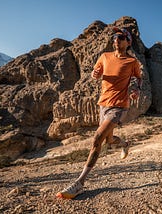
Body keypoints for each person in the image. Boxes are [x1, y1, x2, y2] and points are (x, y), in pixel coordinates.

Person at [56, 27, 142, 199]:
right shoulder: (104, 56)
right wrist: (95, 74)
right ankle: (124, 144)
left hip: (119, 105)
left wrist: (136, 90)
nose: (116, 39)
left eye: (121, 37)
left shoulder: (132, 62)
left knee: (97, 139)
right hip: (103, 104)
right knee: (108, 141)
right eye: (115, 36)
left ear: (127, 42)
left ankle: (79, 183)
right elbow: (96, 74)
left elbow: (139, 78)